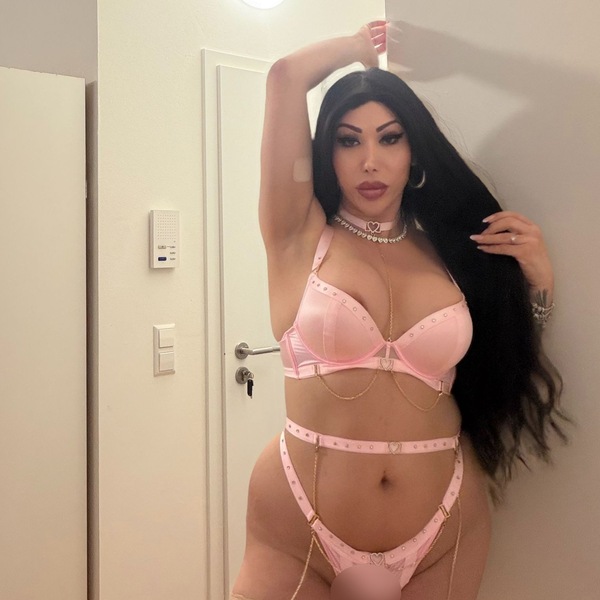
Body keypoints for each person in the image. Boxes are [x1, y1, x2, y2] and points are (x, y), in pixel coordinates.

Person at [231, 21, 567, 600]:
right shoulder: (299, 235)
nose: (369, 161)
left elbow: (504, 357)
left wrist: (538, 284)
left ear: (414, 153)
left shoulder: (451, 251)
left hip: (444, 527)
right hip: (298, 525)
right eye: (348, 140)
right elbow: (285, 77)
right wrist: (359, 50)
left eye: (389, 139)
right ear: (326, 152)